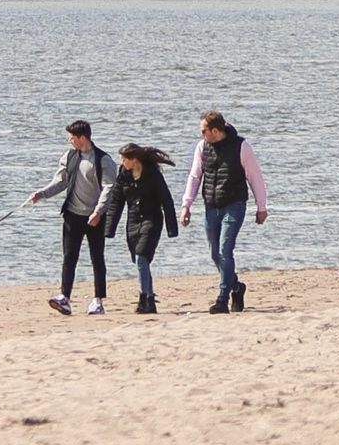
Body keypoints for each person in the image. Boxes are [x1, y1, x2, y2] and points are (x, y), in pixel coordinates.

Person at [179, 110, 268, 313]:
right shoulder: (202, 147)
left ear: (216, 130)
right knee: (214, 253)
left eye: (204, 130)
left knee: (226, 250)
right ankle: (237, 287)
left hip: (235, 204)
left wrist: (261, 207)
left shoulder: (242, 147)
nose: (201, 134)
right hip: (211, 205)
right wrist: (186, 205)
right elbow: (195, 177)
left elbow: (255, 177)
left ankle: (222, 299)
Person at [30, 118, 114, 316]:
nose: (70, 141)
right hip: (72, 216)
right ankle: (64, 298)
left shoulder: (104, 160)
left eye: (72, 138)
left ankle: (97, 301)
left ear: (82, 138)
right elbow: (60, 182)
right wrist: (41, 194)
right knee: (69, 257)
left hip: (94, 217)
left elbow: (109, 188)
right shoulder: (69, 156)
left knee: (97, 258)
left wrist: (98, 212)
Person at [97, 143, 181, 314]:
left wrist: (172, 228)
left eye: (124, 159)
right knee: (138, 261)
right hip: (133, 222)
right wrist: (109, 228)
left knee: (142, 257)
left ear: (134, 159)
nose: (122, 162)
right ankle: (149, 299)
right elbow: (116, 201)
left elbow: (166, 200)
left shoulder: (153, 175)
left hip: (152, 221)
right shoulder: (124, 174)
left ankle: (145, 298)